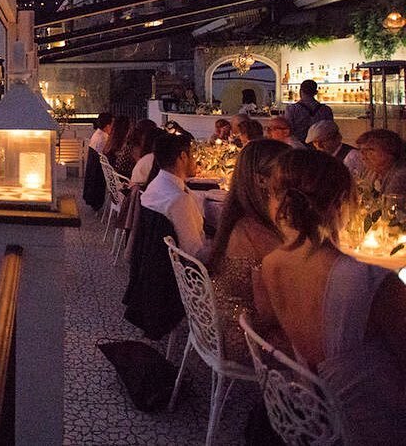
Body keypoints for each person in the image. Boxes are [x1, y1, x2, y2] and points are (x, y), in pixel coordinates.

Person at [255, 149, 406, 446]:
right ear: (341, 203)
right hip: (376, 424)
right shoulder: (371, 282)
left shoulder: (270, 264)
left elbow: (274, 329)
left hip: (315, 412)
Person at [205, 139, 289, 364]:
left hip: (219, 325)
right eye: (287, 173)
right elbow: (269, 314)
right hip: (244, 338)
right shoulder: (257, 232)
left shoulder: (239, 216)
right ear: (262, 180)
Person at [140, 131, 205, 256]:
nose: (195, 160)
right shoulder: (179, 200)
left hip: (156, 261)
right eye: (193, 155)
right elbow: (194, 251)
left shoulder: (154, 186)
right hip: (182, 270)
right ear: (183, 157)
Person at [355, 128, 406, 196]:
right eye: (361, 151)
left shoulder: (400, 176)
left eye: (370, 150)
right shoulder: (369, 172)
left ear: (390, 151)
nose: (363, 157)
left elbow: (390, 204)